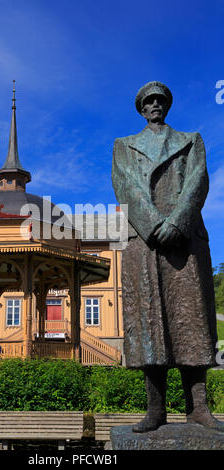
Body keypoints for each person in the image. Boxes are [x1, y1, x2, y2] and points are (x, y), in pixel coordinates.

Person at [112, 81, 223, 433]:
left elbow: (197, 182)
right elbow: (124, 184)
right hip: (145, 242)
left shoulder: (190, 141)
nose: (155, 105)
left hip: (184, 240)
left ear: (167, 106)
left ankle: (199, 408)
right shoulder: (124, 146)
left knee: (191, 321)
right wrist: (154, 225)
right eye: (149, 101)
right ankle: (155, 409)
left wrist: (177, 222)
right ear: (141, 109)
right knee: (150, 325)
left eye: (160, 100)